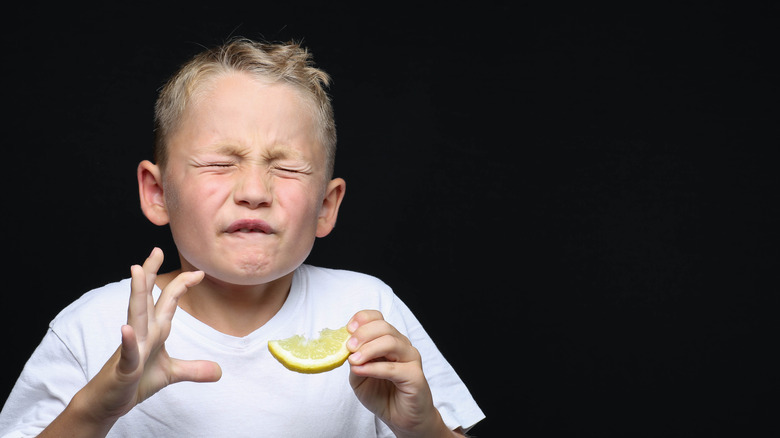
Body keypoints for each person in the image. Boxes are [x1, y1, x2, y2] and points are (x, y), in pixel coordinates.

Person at [0, 38, 484, 437]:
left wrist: (424, 429)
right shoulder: (91, 327)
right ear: (157, 192)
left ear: (326, 206)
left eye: (288, 167)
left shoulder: (368, 310)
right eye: (218, 162)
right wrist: (95, 410)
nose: (254, 192)